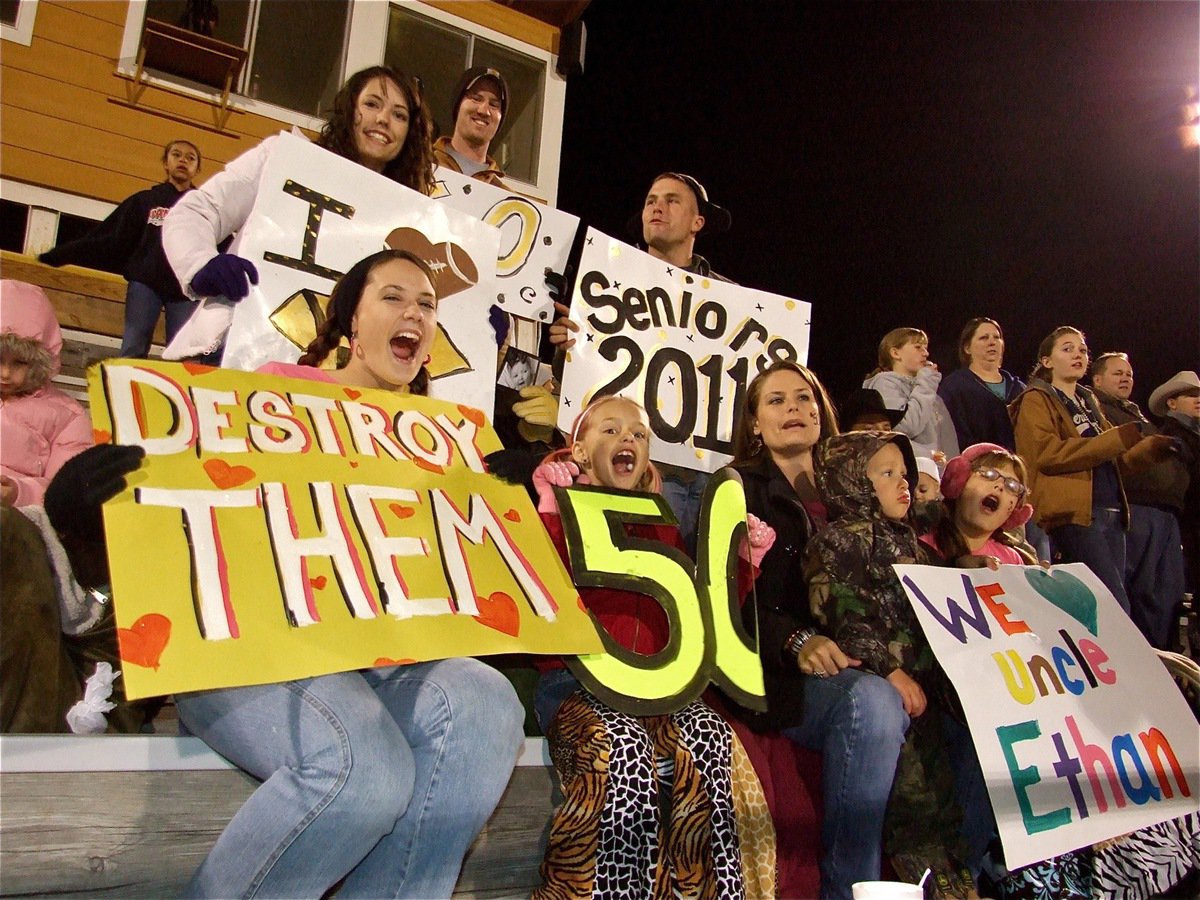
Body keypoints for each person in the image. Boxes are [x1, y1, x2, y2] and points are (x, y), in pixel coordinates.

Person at [170, 248, 525, 898]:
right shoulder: (275, 391)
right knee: (365, 770)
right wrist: (105, 487)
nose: (414, 312)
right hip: (254, 657)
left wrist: (503, 499)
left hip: (376, 666)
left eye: (427, 304)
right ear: (351, 323)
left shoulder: (443, 439)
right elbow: (188, 499)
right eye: (394, 296)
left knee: (487, 700)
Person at [528, 394, 771, 899]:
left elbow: (705, 616)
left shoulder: (660, 522)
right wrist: (552, 510)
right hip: (576, 682)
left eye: (638, 435)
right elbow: (537, 589)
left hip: (662, 690)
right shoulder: (556, 507)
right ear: (578, 450)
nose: (628, 441)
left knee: (710, 742)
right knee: (624, 754)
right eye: (611, 430)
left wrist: (745, 561)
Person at [725, 361, 910, 900]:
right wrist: (794, 640)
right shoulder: (737, 486)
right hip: (782, 670)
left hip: (874, 653)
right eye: (776, 401)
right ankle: (850, 889)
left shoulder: (860, 481)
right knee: (873, 705)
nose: (794, 409)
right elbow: (722, 600)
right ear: (754, 423)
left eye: (804, 398)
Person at [162, 65, 436, 361]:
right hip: (235, 348)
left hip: (331, 378)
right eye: (371, 104)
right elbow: (197, 211)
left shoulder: (410, 219)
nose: (383, 120)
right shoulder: (283, 158)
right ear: (349, 109)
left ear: (410, 132)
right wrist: (201, 264)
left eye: (399, 115)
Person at [805, 430, 977, 898]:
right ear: (853, 483)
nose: (904, 485)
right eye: (886, 475)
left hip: (929, 691)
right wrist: (888, 669)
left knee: (953, 790)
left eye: (905, 475)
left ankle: (962, 876)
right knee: (915, 802)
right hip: (894, 688)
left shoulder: (917, 547)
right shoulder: (844, 538)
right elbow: (840, 610)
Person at [1009, 327, 1176, 616]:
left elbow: (1115, 462)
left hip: (1110, 511)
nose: (1078, 354)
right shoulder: (1036, 399)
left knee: (1111, 604)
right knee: (1111, 605)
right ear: (1047, 361)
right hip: (1075, 515)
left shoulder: (1089, 402)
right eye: (1067, 349)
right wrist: (1113, 440)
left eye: (1083, 350)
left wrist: (1152, 450)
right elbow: (1045, 455)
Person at [38, 140, 203, 359]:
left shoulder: (203, 208)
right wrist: (61, 254)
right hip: (145, 285)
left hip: (184, 290)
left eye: (190, 158)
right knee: (134, 345)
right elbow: (108, 236)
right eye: (177, 155)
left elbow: (222, 249)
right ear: (165, 163)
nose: (183, 160)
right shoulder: (145, 201)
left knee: (182, 354)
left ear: (197, 169)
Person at [1090, 353, 1188, 648]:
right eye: (1117, 373)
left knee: (1165, 596)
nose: (1125, 378)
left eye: (1129, 374)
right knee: (1137, 593)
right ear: (1097, 380)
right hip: (1134, 510)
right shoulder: (1097, 410)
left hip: (1164, 514)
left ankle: (1161, 663)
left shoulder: (1138, 415)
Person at [0, 280, 92, 507]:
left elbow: (66, 488)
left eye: (19, 363)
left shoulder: (67, 415)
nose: (5, 373)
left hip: (17, 516)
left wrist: (18, 493)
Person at [862, 327, 959, 459]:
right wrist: (927, 382)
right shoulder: (885, 383)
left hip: (938, 474)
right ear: (895, 353)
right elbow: (905, 426)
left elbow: (949, 442)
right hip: (912, 470)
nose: (926, 354)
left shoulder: (930, 392)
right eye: (918, 347)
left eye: (926, 348)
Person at [937, 318, 1025, 452]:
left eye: (997, 337)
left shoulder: (1020, 389)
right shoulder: (953, 387)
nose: (992, 342)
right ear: (967, 348)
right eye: (984, 338)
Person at [1149, 370, 1200, 593]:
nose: (1198, 400)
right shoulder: (1170, 435)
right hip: (1188, 520)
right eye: (1190, 395)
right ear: (1172, 403)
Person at [432, 66, 509, 186]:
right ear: (458, 106)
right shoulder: (420, 167)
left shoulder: (503, 199)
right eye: (476, 99)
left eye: (493, 105)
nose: (484, 111)